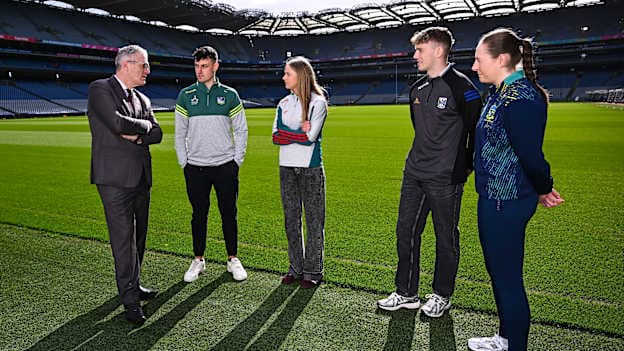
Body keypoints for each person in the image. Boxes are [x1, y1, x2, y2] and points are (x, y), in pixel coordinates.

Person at [468, 28, 564, 351]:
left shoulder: (521, 96)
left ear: (502, 59)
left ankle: (515, 345)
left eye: (479, 60)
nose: (474, 67)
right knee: (500, 275)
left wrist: (544, 186)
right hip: (495, 198)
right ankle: (506, 338)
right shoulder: (500, 93)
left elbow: (531, 154)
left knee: (507, 279)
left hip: (505, 202)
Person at [377, 27, 482, 316]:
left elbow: (477, 131)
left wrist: (465, 165)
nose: (415, 56)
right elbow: (420, 130)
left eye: (419, 50)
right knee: (405, 232)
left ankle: (441, 295)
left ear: (438, 50)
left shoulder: (464, 88)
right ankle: (406, 292)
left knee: (445, 237)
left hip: (445, 177)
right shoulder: (417, 88)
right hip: (414, 174)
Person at [87, 44, 163, 325]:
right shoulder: (101, 89)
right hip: (114, 179)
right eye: (143, 65)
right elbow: (117, 123)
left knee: (138, 237)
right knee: (123, 241)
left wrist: (139, 133)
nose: (148, 70)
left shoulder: (142, 98)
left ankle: (135, 283)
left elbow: (158, 133)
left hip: (141, 177)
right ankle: (129, 301)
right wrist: (141, 128)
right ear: (126, 64)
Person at [175, 46, 248, 283]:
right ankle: (198, 260)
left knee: (229, 213)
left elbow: (241, 130)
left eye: (204, 66)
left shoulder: (230, 94)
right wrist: (183, 161)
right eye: (196, 66)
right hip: (195, 167)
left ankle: (232, 259)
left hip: (225, 165)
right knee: (199, 214)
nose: (199, 70)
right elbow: (179, 133)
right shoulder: (186, 95)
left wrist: (237, 160)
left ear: (215, 66)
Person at [272, 56, 328, 289]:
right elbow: (276, 137)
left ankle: (313, 271)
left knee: (314, 222)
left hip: (310, 169)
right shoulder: (283, 103)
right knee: (291, 221)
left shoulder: (318, 102)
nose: (284, 77)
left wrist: (292, 134)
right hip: (286, 168)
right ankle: (295, 268)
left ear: (301, 76)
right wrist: (299, 133)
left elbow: (311, 138)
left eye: (288, 74)